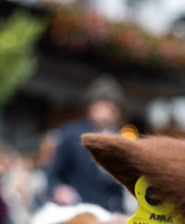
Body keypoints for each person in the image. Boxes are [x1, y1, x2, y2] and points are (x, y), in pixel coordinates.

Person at [47, 75, 127, 212]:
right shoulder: (71, 134)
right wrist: (59, 189)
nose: (106, 111)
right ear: (91, 106)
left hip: (110, 213)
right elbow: (53, 173)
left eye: (110, 107)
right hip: (77, 209)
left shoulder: (120, 141)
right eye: (102, 105)